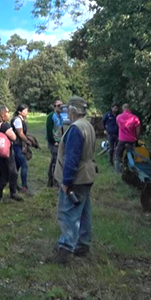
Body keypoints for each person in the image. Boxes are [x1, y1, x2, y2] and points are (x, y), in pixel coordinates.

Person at [53, 97, 98, 265]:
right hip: (87, 175)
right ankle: (82, 245)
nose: (66, 113)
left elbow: (72, 158)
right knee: (84, 211)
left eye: (67, 110)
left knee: (68, 214)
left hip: (77, 177)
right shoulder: (88, 125)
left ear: (73, 111)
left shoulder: (75, 129)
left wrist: (66, 181)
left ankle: (65, 250)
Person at [0, 105, 23, 202]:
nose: (9, 113)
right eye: (7, 111)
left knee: (3, 173)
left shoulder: (0, 124)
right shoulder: (5, 125)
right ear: (3, 113)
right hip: (6, 152)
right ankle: (12, 193)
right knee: (12, 173)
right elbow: (13, 137)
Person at [11, 104, 32, 195]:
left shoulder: (20, 120)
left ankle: (13, 184)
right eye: (25, 110)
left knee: (16, 167)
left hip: (18, 145)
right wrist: (27, 141)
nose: (27, 112)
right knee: (24, 166)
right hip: (17, 146)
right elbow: (20, 133)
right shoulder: (17, 120)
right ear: (20, 112)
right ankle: (24, 187)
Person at [114, 103, 141, 173]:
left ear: (123, 109)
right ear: (130, 108)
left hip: (122, 140)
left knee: (118, 154)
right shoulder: (135, 118)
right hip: (132, 140)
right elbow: (138, 130)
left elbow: (119, 126)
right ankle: (129, 169)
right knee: (131, 155)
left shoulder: (118, 117)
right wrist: (136, 138)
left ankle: (118, 171)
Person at [45, 100, 64, 187]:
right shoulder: (51, 116)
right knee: (55, 160)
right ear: (54, 107)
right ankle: (52, 180)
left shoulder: (60, 117)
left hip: (59, 141)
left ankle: (54, 179)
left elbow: (61, 129)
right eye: (58, 106)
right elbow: (49, 131)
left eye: (61, 106)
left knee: (57, 160)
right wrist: (53, 142)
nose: (60, 108)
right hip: (53, 142)